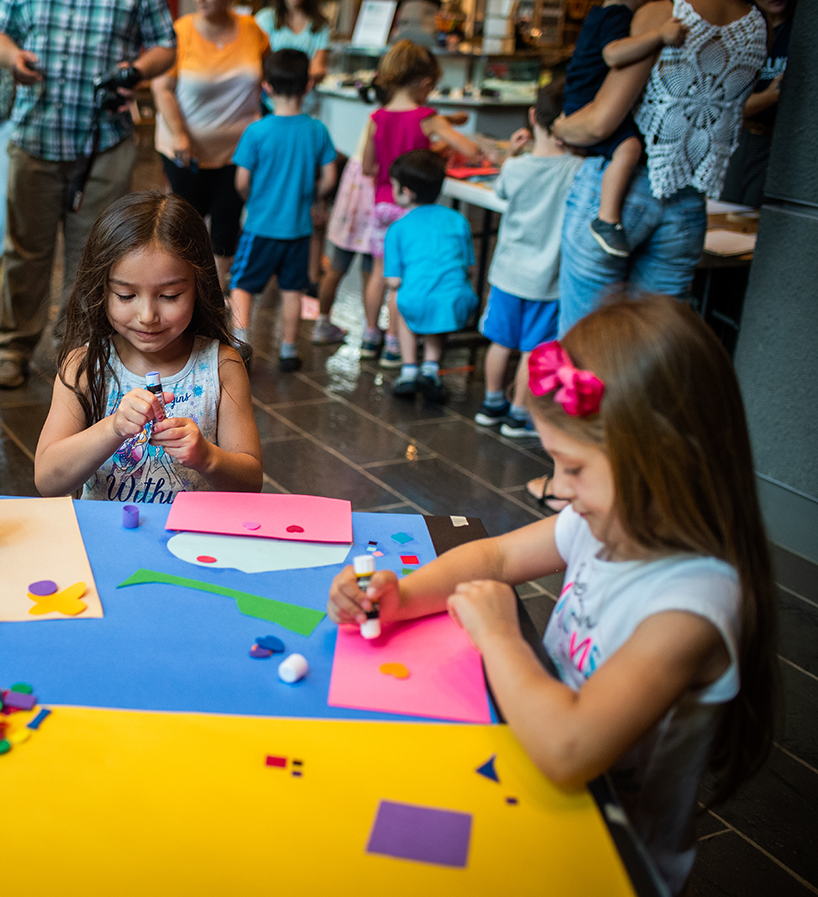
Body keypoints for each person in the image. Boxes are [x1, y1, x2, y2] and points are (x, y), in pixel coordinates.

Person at [327, 296, 777, 895]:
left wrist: (498, 633)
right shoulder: (606, 520)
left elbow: (569, 749)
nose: (559, 490)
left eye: (574, 468)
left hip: (607, 860)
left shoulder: (691, 607)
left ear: (660, 460)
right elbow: (499, 555)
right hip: (529, 774)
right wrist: (402, 595)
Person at [0, 0, 177, 389]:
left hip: (104, 142)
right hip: (35, 136)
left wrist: (136, 71)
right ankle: (14, 348)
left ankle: (79, 350)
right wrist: (13, 57)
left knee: (94, 256)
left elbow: (165, 47)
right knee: (24, 250)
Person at [552, 0, 765, 336]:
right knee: (651, 351)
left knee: (585, 342)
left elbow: (599, 124)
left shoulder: (663, 13)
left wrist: (560, 129)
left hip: (620, 192)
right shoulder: (755, 25)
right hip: (688, 201)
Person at [35, 191, 262, 502]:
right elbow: (47, 479)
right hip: (106, 543)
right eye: (126, 296)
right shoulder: (85, 366)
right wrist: (112, 429)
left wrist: (207, 458)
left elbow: (251, 483)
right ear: (102, 289)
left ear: (199, 287)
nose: (147, 317)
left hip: (190, 544)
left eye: (169, 296)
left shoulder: (221, 367)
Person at [323, 39, 480, 366]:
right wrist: (434, 152)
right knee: (404, 278)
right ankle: (395, 344)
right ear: (424, 83)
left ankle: (370, 336)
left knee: (380, 273)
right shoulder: (427, 117)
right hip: (410, 211)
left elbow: (368, 167)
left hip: (382, 204)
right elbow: (469, 150)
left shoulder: (377, 117)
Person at [474, 81, 581, 440]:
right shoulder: (576, 168)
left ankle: (491, 404)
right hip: (547, 279)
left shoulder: (516, 168)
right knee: (532, 351)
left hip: (507, 274)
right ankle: (518, 414)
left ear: (532, 116)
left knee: (501, 342)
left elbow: (500, 189)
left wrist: (513, 155)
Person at [229, 49, 338, 374]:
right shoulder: (317, 130)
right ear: (307, 86)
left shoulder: (256, 131)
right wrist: (312, 197)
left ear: (267, 87)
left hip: (261, 225)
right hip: (299, 229)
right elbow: (330, 177)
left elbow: (241, 181)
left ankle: (239, 345)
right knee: (294, 289)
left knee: (242, 284)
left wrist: (254, 198)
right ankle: (289, 349)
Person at [152, 0, 269, 291]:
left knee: (227, 221)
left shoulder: (252, 30)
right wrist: (180, 135)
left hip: (239, 151)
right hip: (185, 151)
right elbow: (161, 89)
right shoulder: (180, 32)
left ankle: (214, 296)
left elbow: (269, 79)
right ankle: (180, 288)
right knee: (186, 225)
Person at [562, 0, 686, 258]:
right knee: (629, 147)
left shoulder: (600, 14)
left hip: (581, 100)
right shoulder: (617, 15)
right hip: (588, 103)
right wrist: (658, 35)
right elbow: (614, 54)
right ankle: (606, 219)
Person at [382, 149, 477, 403]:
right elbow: (469, 268)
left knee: (404, 299)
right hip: (459, 302)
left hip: (417, 302)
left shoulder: (398, 228)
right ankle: (431, 369)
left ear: (407, 192)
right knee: (440, 303)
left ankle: (409, 369)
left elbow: (393, 280)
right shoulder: (458, 220)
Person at [254, 0, 331, 291]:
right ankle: (279, 267)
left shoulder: (319, 24)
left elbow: (320, 66)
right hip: (271, 111)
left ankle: (310, 274)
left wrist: (286, 77)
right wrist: (299, 76)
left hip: (306, 110)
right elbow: (259, 63)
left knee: (307, 197)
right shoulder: (264, 19)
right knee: (277, 185)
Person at [719, 0, 792, 207]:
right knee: (728, 211)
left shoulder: (800, 31)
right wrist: (770, 95)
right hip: (739, 137)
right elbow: (722, 106)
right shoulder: (741, 31)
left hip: (780, 142)